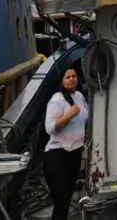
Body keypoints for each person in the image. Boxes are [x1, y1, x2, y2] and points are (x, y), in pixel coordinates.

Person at [43, 66, 88, 220]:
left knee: (68, 198)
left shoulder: (79, 96)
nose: (71, 79)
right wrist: (68, 116)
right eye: (67, 77)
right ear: (62, 80)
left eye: (74, 76)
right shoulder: (57, 100)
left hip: (74, 154)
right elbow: (49, 128)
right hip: (57, 156)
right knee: (61, 202)